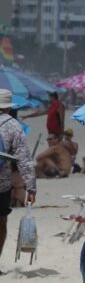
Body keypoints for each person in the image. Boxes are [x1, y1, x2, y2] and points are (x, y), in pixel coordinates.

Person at [0, 89, 36, 263]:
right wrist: (31, 187)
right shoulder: (14, 126)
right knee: (1, 223)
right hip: (3, 184)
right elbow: (24, 160)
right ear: (8, 107)